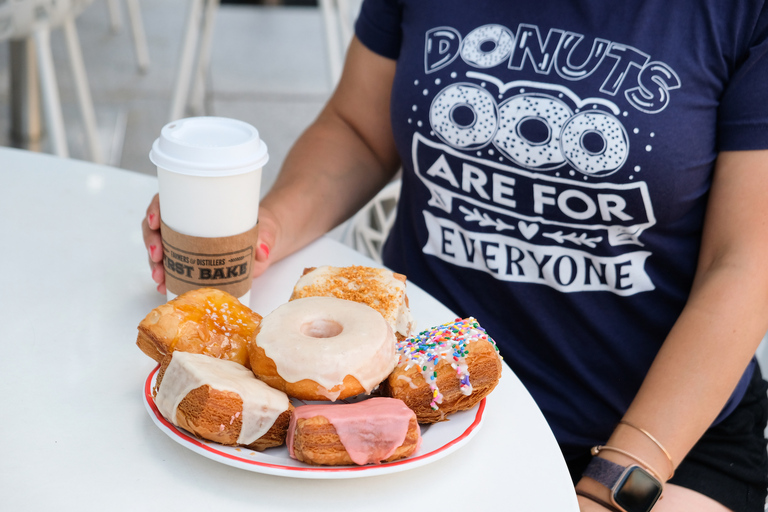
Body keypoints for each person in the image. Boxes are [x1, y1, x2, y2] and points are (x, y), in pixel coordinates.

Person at [143, 1, 768, 510]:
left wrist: (615, 482)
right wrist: (268, 228)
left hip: (655, 436)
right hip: (418, 409)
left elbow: (745, 263)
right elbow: (359, 128)